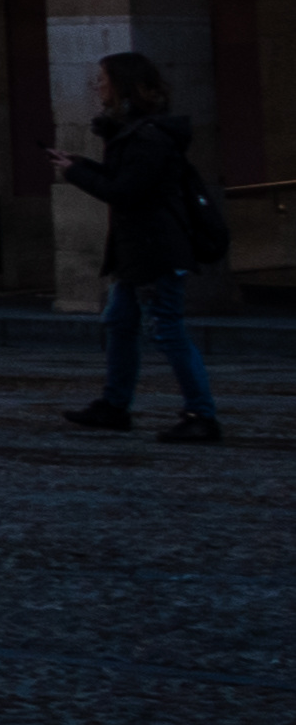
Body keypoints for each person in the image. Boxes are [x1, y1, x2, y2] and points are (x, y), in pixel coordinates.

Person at [61, 49, 226, 443]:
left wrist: (75, 175)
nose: (96, 86)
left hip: (155, 251)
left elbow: (127, 191)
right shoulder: (133, 134)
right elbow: (124, 179)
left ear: (121, 85)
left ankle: (201, 415)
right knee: (119, 322)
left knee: (167, 330)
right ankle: (114, 406)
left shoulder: (148, 137)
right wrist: (79, 164)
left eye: (102, 79)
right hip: (137, 251)